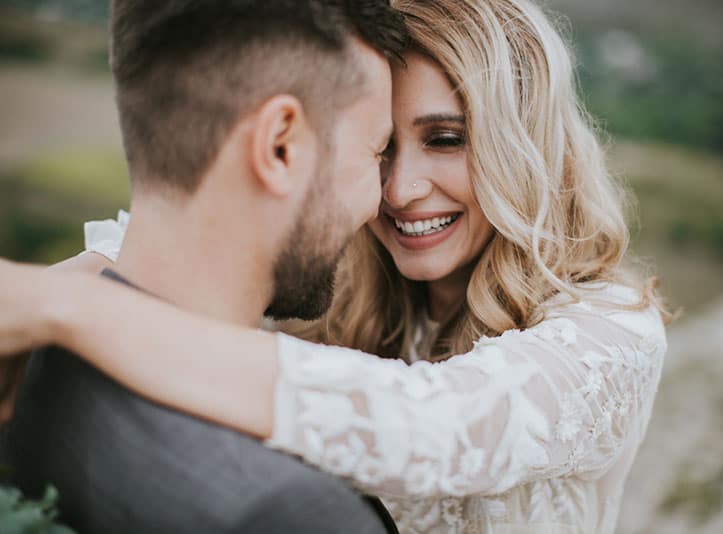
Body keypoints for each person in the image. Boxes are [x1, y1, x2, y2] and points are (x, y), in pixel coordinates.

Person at [0, 0, 671, 532]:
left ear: (519, 145)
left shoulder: (611, 335)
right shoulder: (345, 275)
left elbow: (435, 427)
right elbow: (175, 244)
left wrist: (70, 311)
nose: (400, 189)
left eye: (446, 140)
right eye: (380, 149)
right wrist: (49, 287)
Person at [0, 0, 407, 532]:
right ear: (279, 145)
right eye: (376, 152)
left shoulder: (29, 361)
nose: (378, 203)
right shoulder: (294, 510)